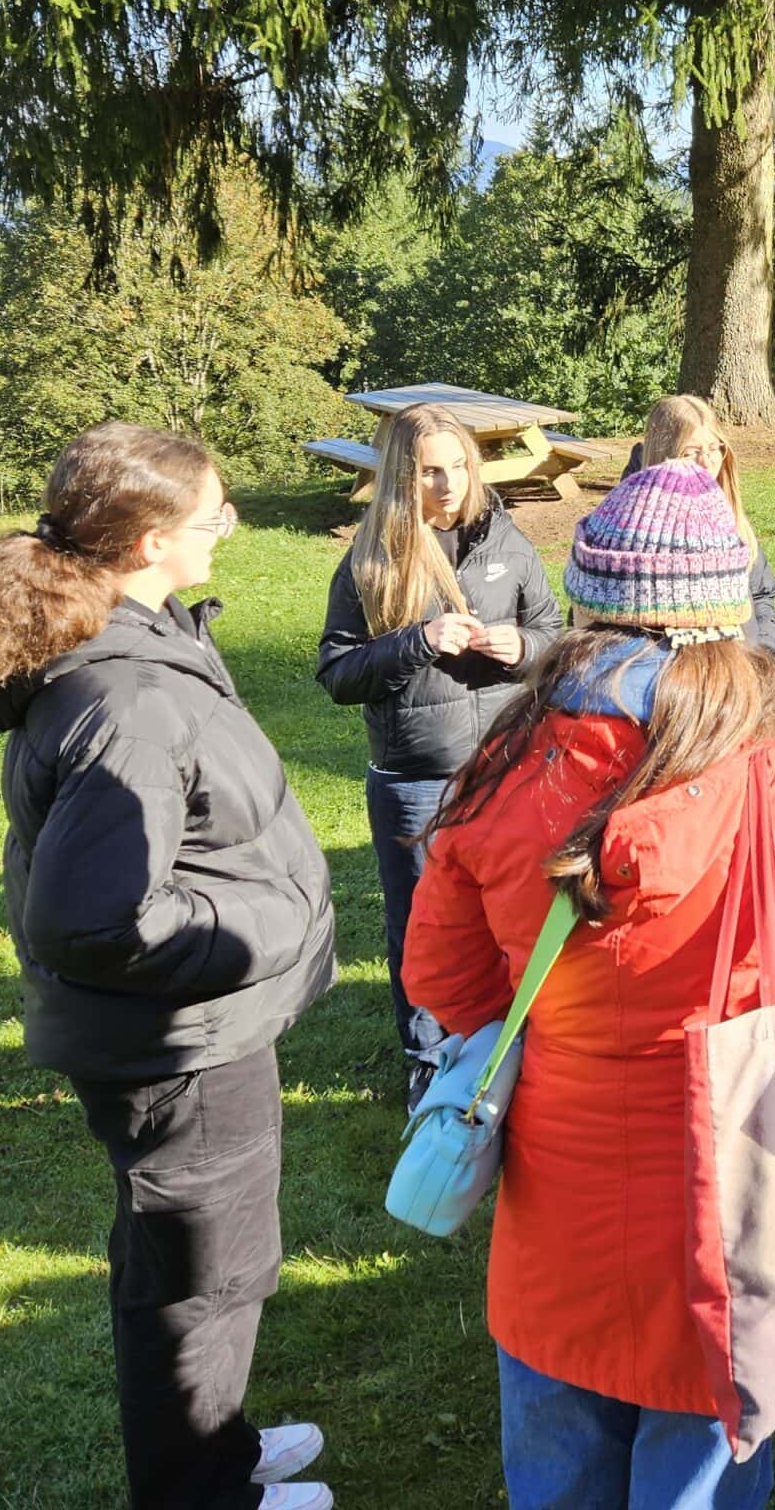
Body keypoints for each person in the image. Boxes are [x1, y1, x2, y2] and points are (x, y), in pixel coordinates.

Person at [402, 462, 775, 1510]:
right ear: (725, 624)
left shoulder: (496, 769)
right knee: (700, 1469)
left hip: (556, 1209)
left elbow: (443, 982)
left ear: (587, 611)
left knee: (556, 1467)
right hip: (727, 1211)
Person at [0, 424, 338, 1510]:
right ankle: (200, 1493)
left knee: (200, 1263)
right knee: (198, 1276)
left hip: (191, 1035)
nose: (231, 525)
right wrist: (267, 927)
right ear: (150, 542)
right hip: (177, 1045)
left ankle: (216, 1450)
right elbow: (94, 920)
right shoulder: (128, 700)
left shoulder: (140, 640)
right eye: (213, 515)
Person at [317, 403, 564, 1106]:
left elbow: (552, 631)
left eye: (458, 467)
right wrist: (416, 642)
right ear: (402, 476)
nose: (449, 484)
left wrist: (524, 649)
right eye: (430, 472)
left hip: (505, 773)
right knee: (425, 932)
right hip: (415, 781)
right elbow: (336, 673)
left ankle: (511, 1045)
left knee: (511, 917)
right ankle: (427, 1063)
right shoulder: (371, 561)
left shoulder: (508, 542)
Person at [630, 395, 775, 655]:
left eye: (714, 449)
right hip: (675, 682)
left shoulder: (732, 516)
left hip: (740, 676)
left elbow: (760, 596)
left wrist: (764, 655)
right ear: (661, 457)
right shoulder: (631, 532)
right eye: (691, 453)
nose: (707, 462)